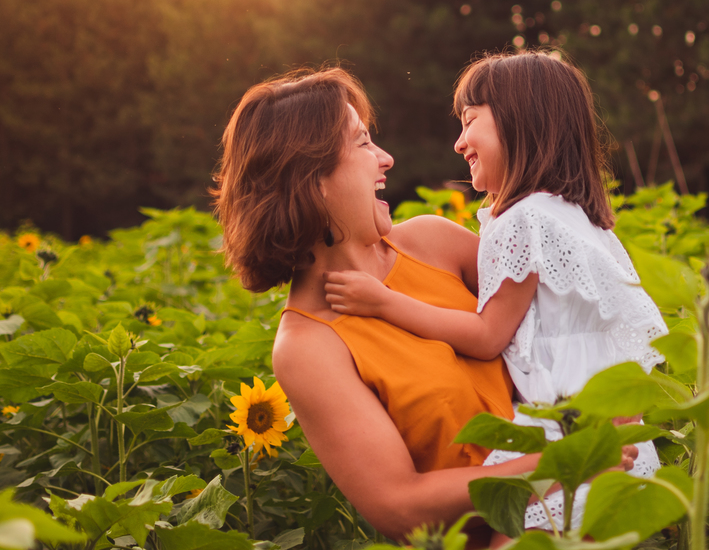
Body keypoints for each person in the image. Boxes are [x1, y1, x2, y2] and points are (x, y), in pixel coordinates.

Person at [211, 67, 636, 543]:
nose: (386, 158)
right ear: (310, 181)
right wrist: (562, 464)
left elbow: (574, 309)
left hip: (600, 495)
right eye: (362, 143)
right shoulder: (309, 344)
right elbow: (400, 507)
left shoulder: (434, 242)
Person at [326, 51, 668, 531]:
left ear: (519, 124)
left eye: (470, 122)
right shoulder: (579, 218)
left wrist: (384, 302)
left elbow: (488, 335)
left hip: (567, 433)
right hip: (622, 436)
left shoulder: (520, 221)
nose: (459, 141)